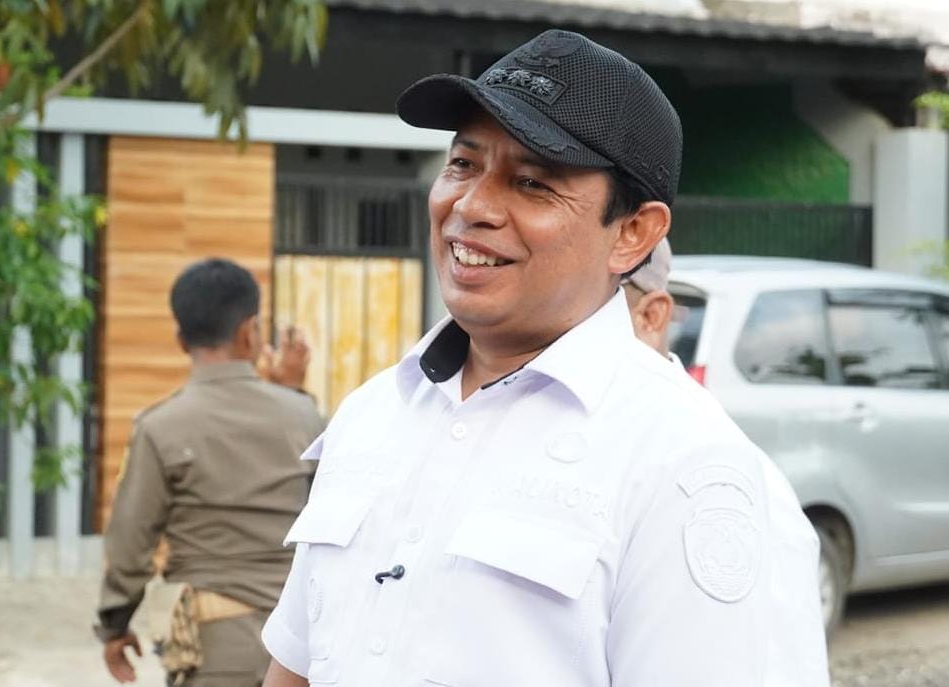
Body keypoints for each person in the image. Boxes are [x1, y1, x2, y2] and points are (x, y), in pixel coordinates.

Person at [262, 30, 830, 686]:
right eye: (462, 164)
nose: (471, 206)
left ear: (633, 233)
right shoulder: (372, 414)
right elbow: (295, 666)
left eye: (531, 182)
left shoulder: (685, 464)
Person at [96, 258, 326, 686]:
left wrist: (115, 624)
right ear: (249, 331)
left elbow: (131, 541)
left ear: (181, 340)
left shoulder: (159, 427)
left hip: (213, 650)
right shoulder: (304, 416)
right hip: (302, 650)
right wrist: (291, 392)